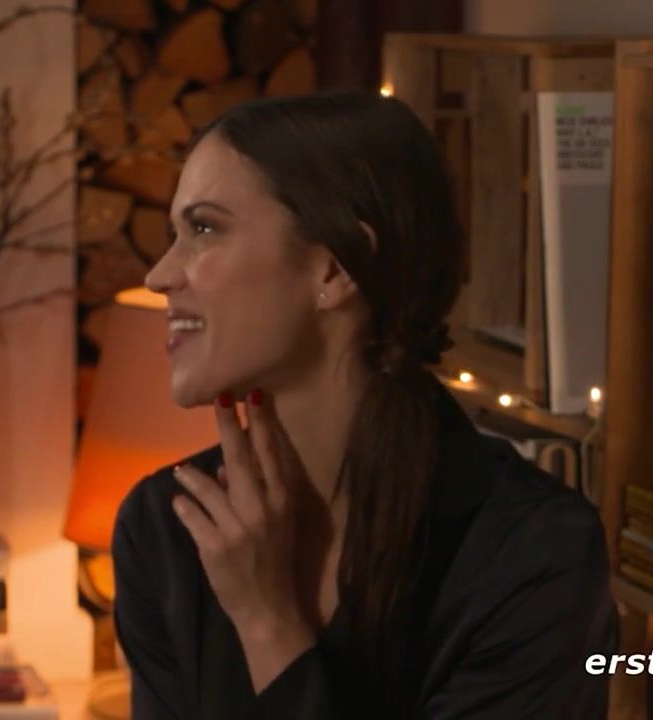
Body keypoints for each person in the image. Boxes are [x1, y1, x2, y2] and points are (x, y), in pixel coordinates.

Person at [111, 91, 618, 719]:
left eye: (205, 229)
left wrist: (269, 623)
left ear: (336, 267)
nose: (160, 275)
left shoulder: (533, 555)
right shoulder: (165, 530)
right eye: (176, 234)